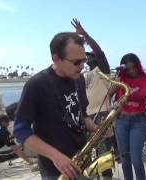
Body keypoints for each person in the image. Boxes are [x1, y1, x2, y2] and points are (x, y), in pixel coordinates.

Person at [14, 32, 102, 179]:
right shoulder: (36, 85)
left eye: (84, 61)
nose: (82, 66)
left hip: (81, 158)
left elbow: (82, 114)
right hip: (55, 168)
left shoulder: (79, 80)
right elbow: (20, 130)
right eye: (76, 62)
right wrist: (56, 156)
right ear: (56, 58)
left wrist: (94, 127)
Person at [107, 53, 146, 180]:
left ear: (138, 65)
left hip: (139, 121)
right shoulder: (120, 79)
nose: (131, 71)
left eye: (133, 67)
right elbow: (108, 95)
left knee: (136, 159)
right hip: (121, 120)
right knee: (124, 158)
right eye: (127, 69)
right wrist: (110, 109)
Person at [72, 19, 113, 179]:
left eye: (90, 56)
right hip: (85, 116)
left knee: (103, 152)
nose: (87, 59)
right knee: (85, 152)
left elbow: (99, 51)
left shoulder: (102, 71)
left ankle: (107, 177)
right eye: (85, 58)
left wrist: (85, 35)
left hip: (101, 113)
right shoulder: (81, 75)